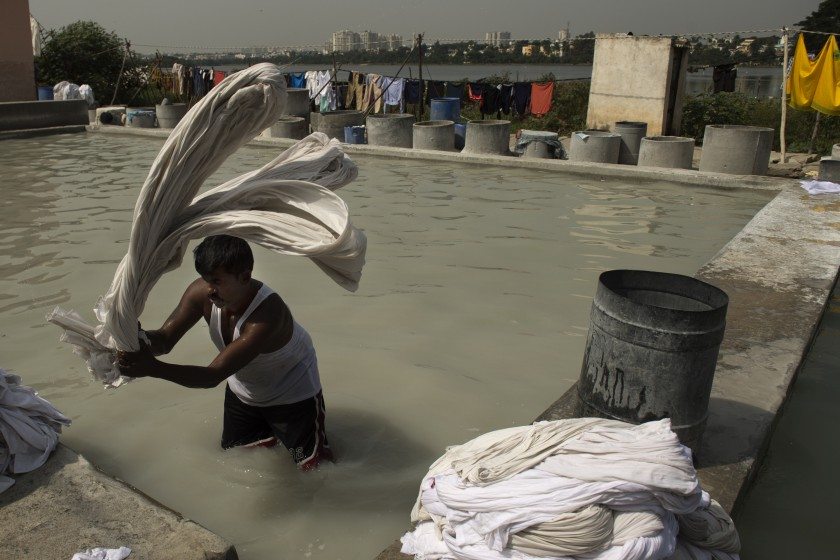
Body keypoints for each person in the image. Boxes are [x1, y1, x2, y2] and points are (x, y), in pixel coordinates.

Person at [117, 235, 333, 470]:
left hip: (292, 397)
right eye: (205, 279)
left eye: (217, 281)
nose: (209, 289)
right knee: (237, 458)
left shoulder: (267, 316)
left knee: (313, 468)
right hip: (244, 392)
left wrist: (151, 368)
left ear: (245, 277)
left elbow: (213, 376)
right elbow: (165, 340)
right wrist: (137, 339)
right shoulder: (201, 293)